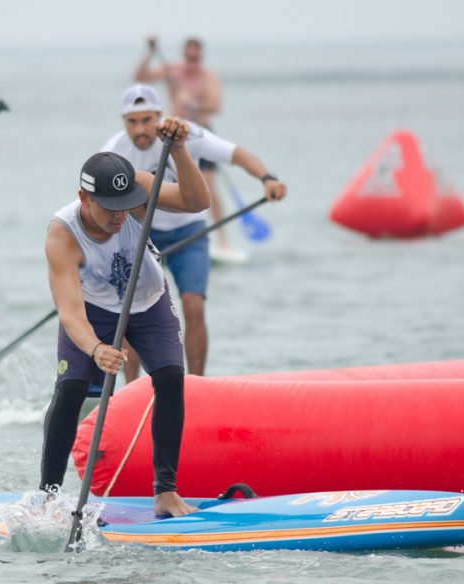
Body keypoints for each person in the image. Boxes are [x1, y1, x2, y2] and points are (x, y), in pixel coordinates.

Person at [41, 117, 210, 518]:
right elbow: (69, 311)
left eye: (126, 206)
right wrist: (97, 349)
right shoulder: (61, 234)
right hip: (93, 309)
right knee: (71, 390)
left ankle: (165, 492)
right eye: (110, 209)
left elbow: (196, 201)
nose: (121, 216)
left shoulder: (136, 187)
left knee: (170, 379)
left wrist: (181, 151)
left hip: (147, 297)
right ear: (85, 199)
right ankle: (48, 496)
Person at [103, 84, 287, 379]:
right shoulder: (113, 152)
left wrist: (267, 178)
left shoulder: (186, 135)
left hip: (188, 233)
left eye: (146, 120)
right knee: (130, 315)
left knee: (193, 305)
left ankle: (196, 386)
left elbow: (237, 155)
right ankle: (131, 391)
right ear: (123, 121)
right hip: (141, 236)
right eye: (132, 122)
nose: (140, 129)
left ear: (158, 115)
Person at [136, 36, 240, 258]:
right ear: (184, 55)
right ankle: (153, 236)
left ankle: (223, 240)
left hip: (200, 135)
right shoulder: (172, 70)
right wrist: (150, 53)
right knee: (163, 184)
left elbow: (215, 106)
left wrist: (193, 102)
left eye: (197, 58)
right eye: (189, 57)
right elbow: (140, 77)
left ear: (201, 57)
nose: (193, 62)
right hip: (171, 136)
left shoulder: (208, 77)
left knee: (209, 186)